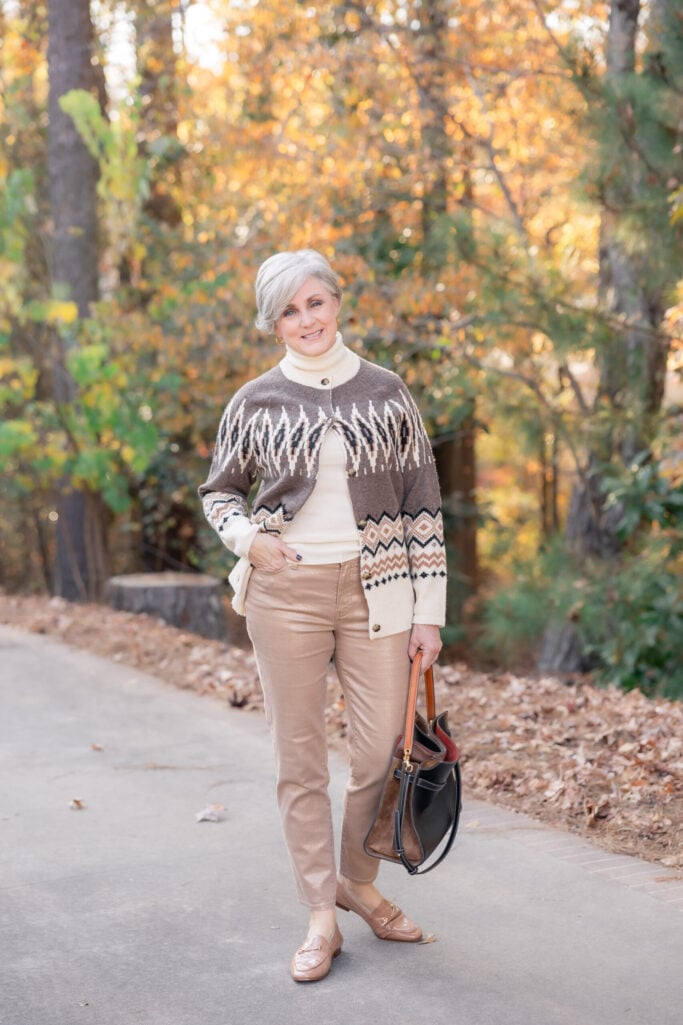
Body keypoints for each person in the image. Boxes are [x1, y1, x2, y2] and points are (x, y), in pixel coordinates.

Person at [198, 248, 447, 983]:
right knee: (298, 758)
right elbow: (219, 492)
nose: (305, 320)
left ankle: (354, 877)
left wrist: (427, 612)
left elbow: (422, 505)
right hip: (287, 594)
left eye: (314, 303)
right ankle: (320, 911)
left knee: (377, 752)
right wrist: (249, 539)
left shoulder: (387, 392)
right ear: (271, 321)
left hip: (381, 591)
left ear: (335, 302)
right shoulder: (254, 400)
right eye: (288, 310)